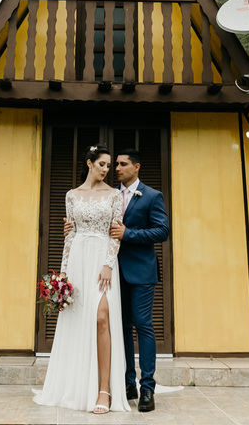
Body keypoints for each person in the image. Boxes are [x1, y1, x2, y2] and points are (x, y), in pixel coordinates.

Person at [34, 146, 129, 414]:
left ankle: (104, 390)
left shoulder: (114, 195)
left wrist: (108, 265)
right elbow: (70, 235)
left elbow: (115, 233)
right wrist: (63, 275)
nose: (106, 169)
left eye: (109, 165)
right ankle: (76, 385)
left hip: (102, 261)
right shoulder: (71, 195)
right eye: (102, 164)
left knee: (101, 318)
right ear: (89, 163)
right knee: (77, 322)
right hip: (77, 259)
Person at [111, 148, 169, 412]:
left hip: (142, 273)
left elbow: (162, 231)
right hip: (114, 272)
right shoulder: (110, 195)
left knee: (143, 326)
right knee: (122, 327)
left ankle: (147, 388)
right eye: (116, 164)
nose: (117, 168)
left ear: (136, 167)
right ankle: (127, 383)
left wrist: (129, 234)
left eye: (123, 164)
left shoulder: (152, 196)